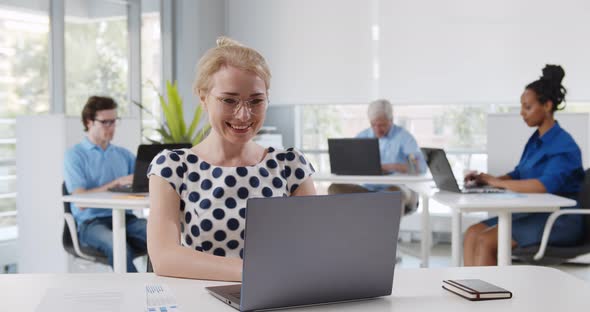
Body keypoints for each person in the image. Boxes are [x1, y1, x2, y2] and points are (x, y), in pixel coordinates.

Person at [146, 37, 316, 282]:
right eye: (229, 100)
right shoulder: (173, 167)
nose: (244, 114)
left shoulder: (290, 166)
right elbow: (165, 257)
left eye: (256, 101)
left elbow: (315, 248)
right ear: (203, 98)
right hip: (203, 300)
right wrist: (258, 272)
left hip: (277, 298)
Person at [463, 64, 585, 266]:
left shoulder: (565, 146)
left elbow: (542, 186)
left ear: (547, 106)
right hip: (534, 213)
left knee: (486, 240)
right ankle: (469, 290)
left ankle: (490, 297)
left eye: (527, 107)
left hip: (559, 220)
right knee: (472, 233)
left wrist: (497, 183)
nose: (522, 113)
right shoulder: (536, 139)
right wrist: (487, 179)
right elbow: (519, 173)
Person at [64, 96, 147, 272]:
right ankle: (136, 293)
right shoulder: (75, 155)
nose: (111, 127)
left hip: (126, 218)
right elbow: (80, 200)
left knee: (159, 235)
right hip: (92, 223)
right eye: (105, 122)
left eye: (114, 121)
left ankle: (159, 288)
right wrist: (115, 183)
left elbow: (142, 184)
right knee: (117, 244)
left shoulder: (124, 155)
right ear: (89, 122)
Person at [328, 99, 427, 213]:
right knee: (335, 189)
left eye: (382, 125)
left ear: (391, 120)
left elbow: (420, 167)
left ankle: (386, 230)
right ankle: (348, 229)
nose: (377, 129)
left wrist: (388, 167)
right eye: (373, 124)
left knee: (393, 192)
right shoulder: (363, 136)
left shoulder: (404, 138)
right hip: (369, 189)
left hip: (400, 189)